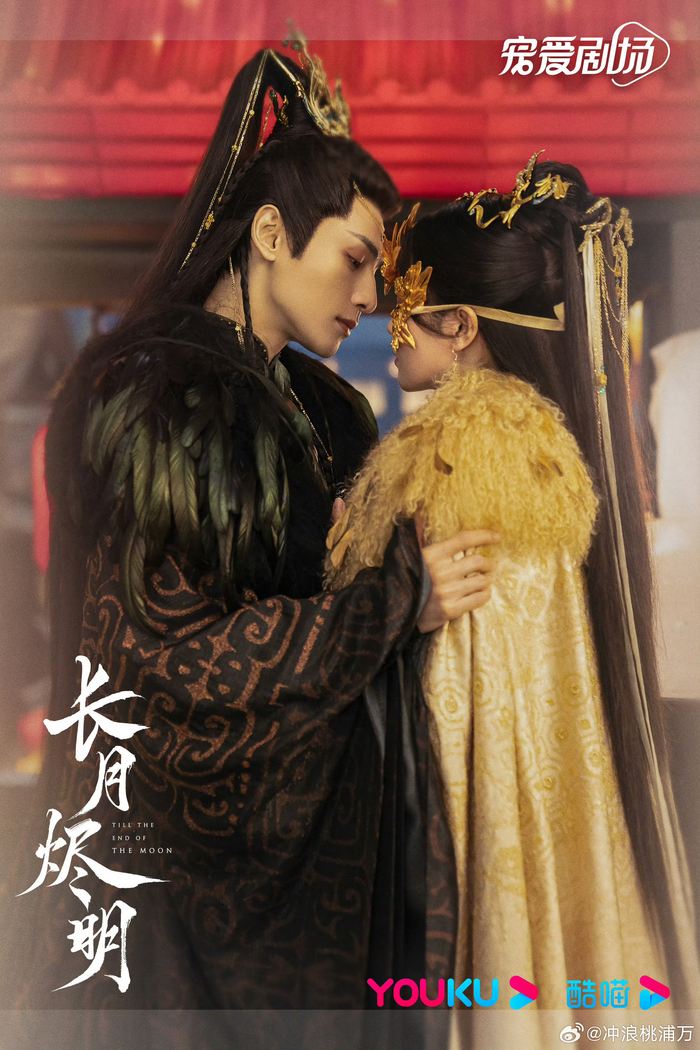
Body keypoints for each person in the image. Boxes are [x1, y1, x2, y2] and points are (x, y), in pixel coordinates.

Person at [6, 44, 497, 1022]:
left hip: (312, 873)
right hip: (174, 884)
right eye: (354, 259)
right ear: (271, 231)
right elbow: (163, 658)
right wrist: (389, 600)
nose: (371, 298)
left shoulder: (328, 410)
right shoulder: (154, 397)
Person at [326, 155, 700, 1038]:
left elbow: (441, 676)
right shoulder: (539, 441)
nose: (381, 314)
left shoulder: (455, 450)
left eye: (404, 298)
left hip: (463, 810)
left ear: (459, 324)